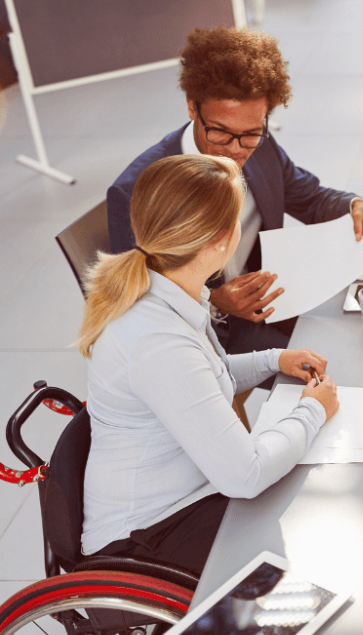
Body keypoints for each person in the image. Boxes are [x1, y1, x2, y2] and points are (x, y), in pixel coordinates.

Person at [79, 154, 340, 575]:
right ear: (221, 239)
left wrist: (275, 359)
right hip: (146, 536)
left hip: (186, 495)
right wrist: (314, 410)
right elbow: (246, 475)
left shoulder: (171, 290)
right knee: (312, 542)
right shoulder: (156, 340)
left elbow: (206, 377)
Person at [108, 27, 363, 359]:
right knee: (336, 364)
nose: (235, 150)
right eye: (220, 132)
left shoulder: (262, 146)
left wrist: (354, 205)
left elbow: (309, 197)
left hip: (272, 299)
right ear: (191, 107)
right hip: (204, 335)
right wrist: (212, 300)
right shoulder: (137, 191)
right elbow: (138, 299)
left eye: (251, 134)